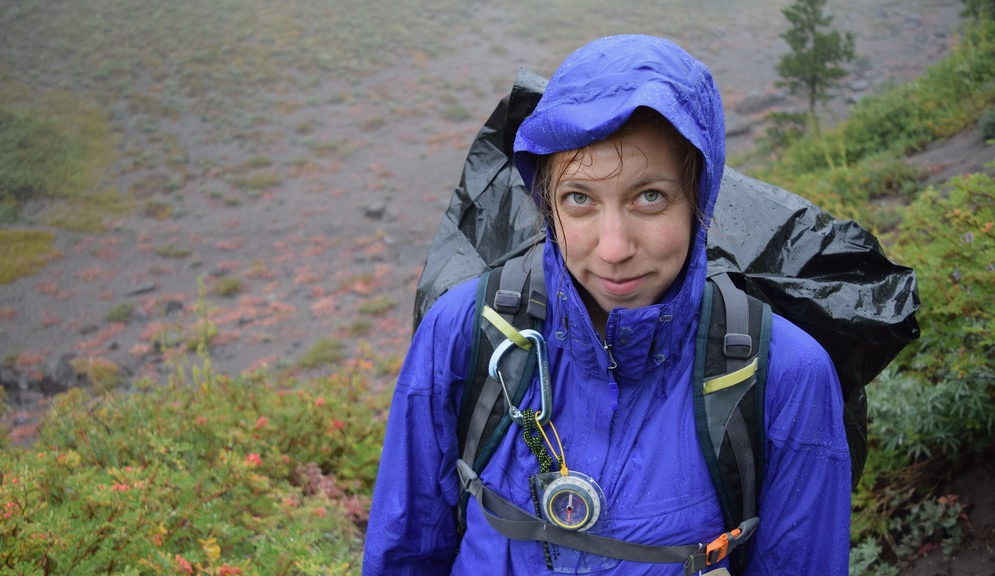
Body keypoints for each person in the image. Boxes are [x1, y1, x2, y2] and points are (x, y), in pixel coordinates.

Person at [362, 35, 851, 575]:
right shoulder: (464, 332)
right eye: (579, 199)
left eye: (650, 197)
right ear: (547, 204)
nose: (614, 249)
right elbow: (405, 550)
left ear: (700, 199)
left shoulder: (784, 375)